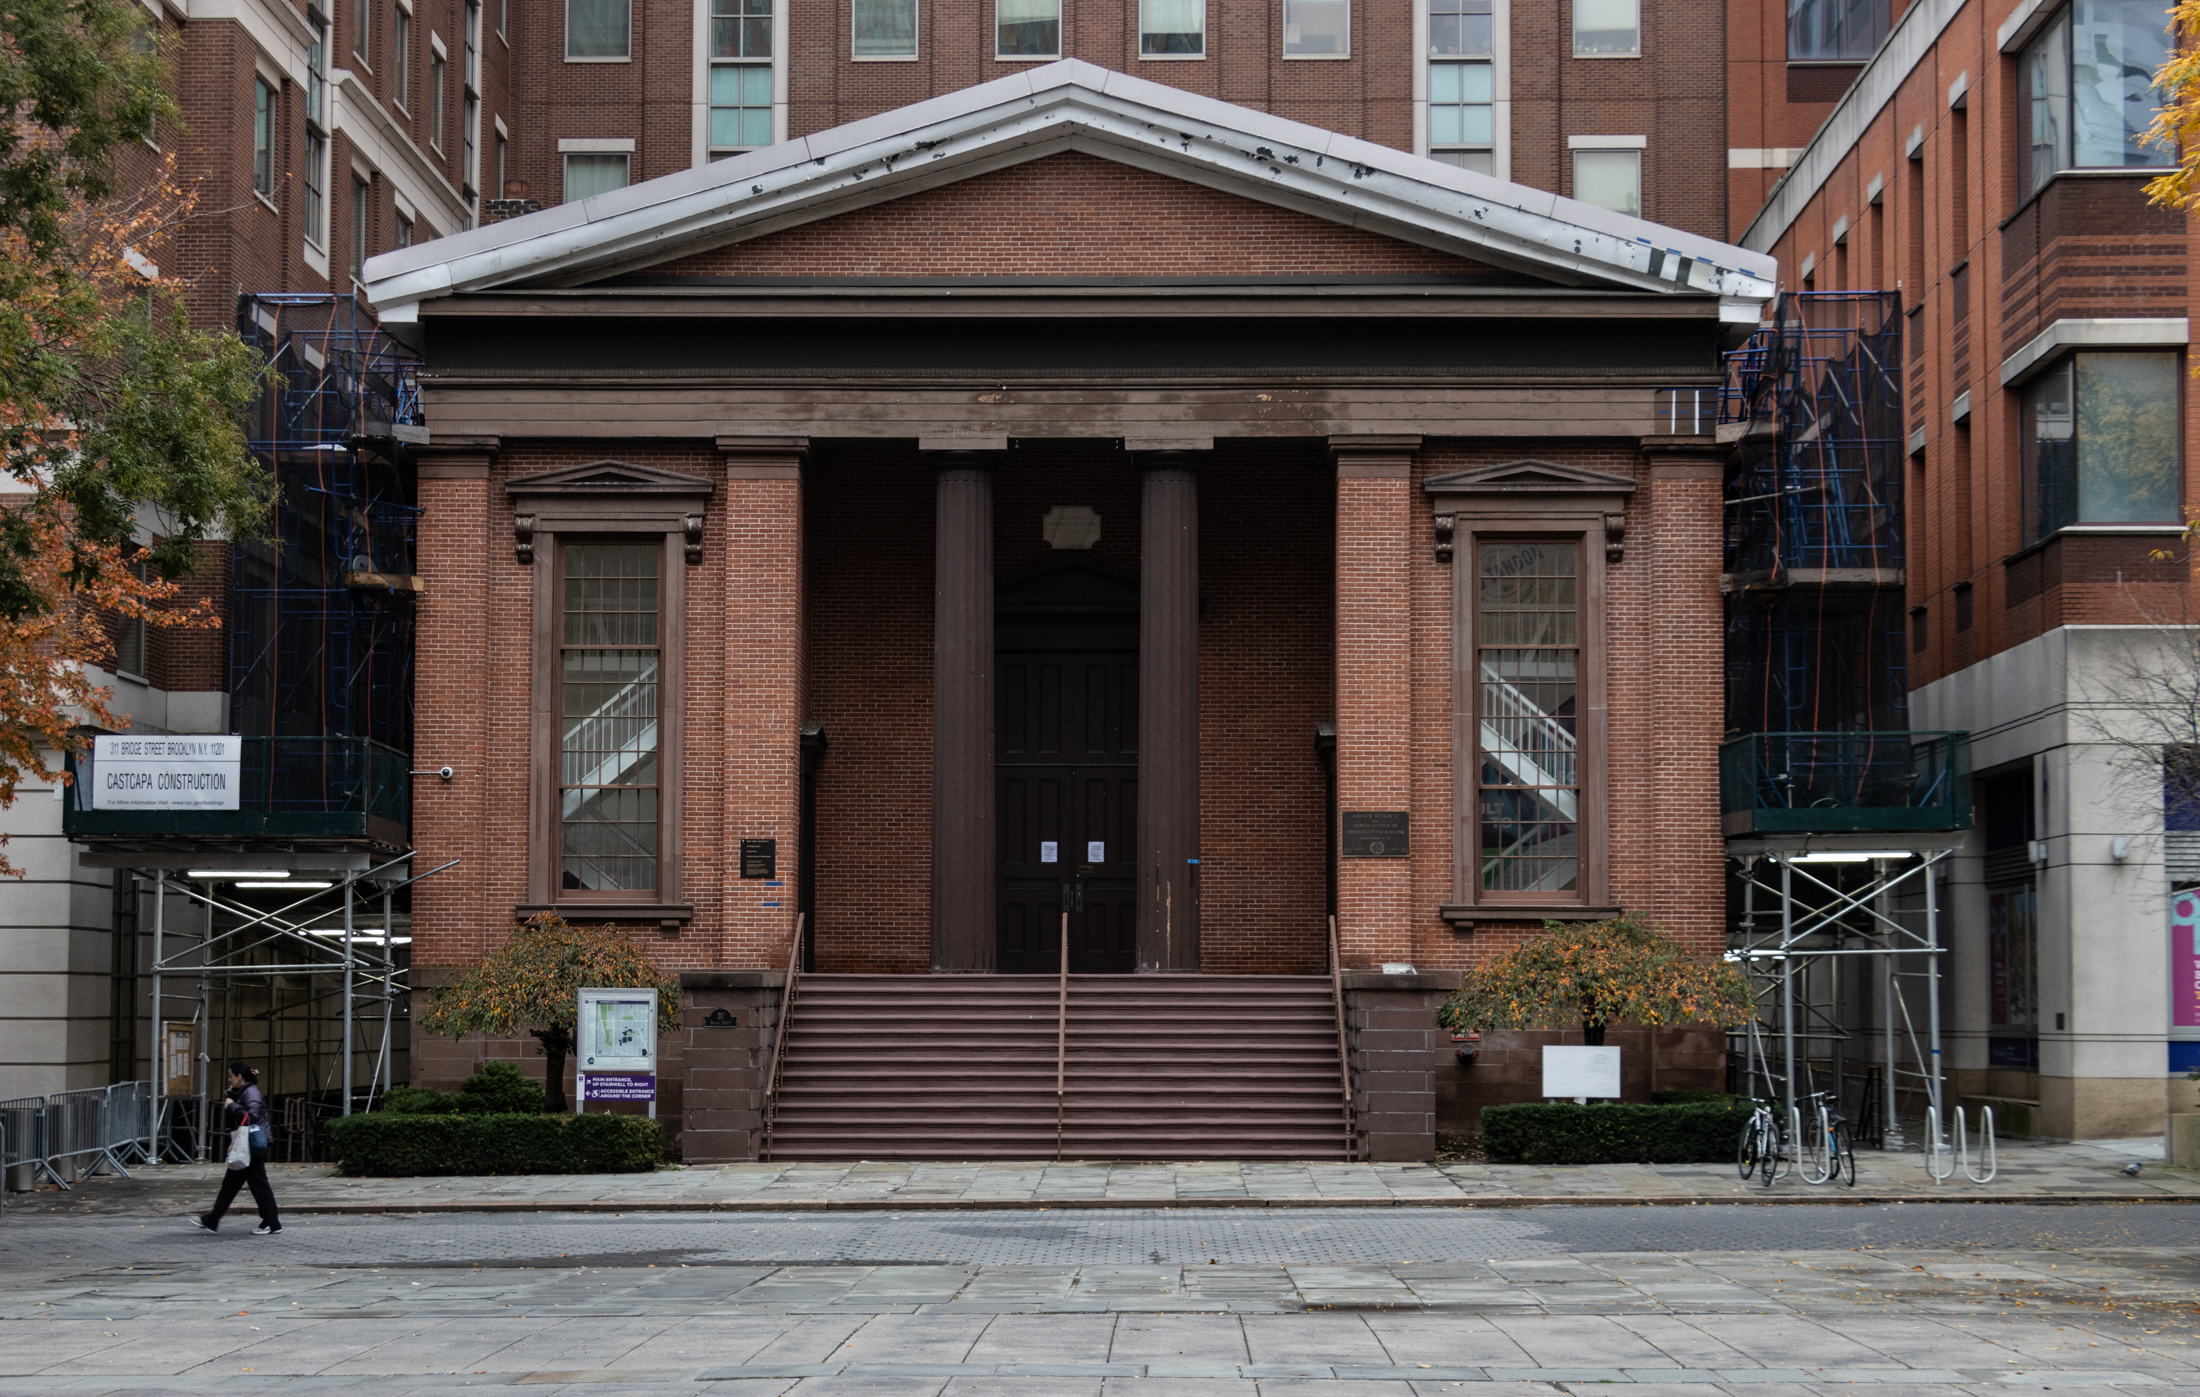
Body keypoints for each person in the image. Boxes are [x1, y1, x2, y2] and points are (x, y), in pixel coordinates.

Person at [190, 1062, 282, 1235]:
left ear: (240, 1077)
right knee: (230, 1185)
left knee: (258, 1185)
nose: (229, 1079)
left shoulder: (251, 1092)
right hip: (245, 1145)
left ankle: (272, 1223)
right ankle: (212, 1220)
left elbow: (251, 1117)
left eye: (231, 1076)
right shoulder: (245, 1091)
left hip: (251, 1145)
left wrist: (232, 1105)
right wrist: (234, 1097)